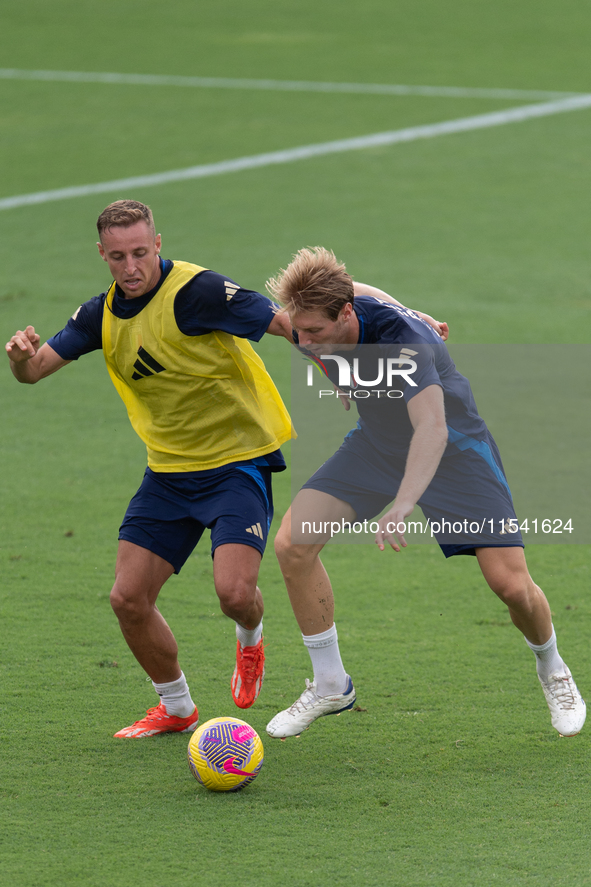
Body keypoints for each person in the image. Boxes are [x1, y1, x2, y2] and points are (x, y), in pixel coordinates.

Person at [264, 246, 586, 740]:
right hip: (376, 447)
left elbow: (432, 430)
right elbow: (366, 292)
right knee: (292, 543)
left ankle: (553, 668)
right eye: (299, 331)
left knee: (511, 585)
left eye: (315, 333)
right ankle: (330, 684)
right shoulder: (334, 312)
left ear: (345, 314)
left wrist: (406, 502)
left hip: (455, 453)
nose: (303, 342)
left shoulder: (404, 344)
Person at [5, 199, 297, 738]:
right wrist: (20, 357)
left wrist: (355, 355)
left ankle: (251, 637)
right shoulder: (99, 314)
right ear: (102, 255)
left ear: (158, 244)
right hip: (168, 473)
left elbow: (284, 324)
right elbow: (36, 371)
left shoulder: (197, 292)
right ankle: (177, 707)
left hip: (237, 462)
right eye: (118, 256)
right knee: (127, 598)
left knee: (234, 594)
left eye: (140, 252)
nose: (131, 266)